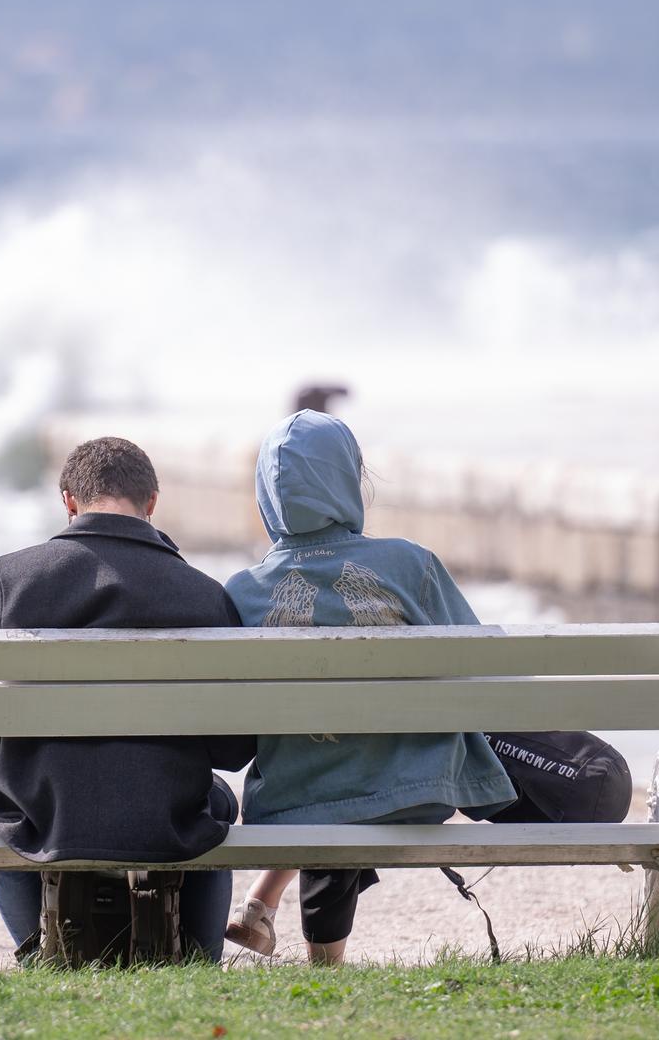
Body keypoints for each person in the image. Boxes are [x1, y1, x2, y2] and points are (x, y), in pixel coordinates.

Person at [220, 410, 518, 963]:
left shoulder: (241, 591)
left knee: (325, 782)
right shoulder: (409, 564)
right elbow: (482, 662)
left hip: (295, 800)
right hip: (417, 786)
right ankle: (298, 937)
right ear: (350, 480)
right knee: (360, 771)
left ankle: (284, 924)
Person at [0, 436, 254, 963]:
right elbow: (232, 748)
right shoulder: (204, 595)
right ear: (152, 502)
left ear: (68, 500)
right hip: (164, 817)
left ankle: (35, 950)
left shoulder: (8, 580)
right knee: (218, 800)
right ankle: (200, 955)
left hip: (40, 815)